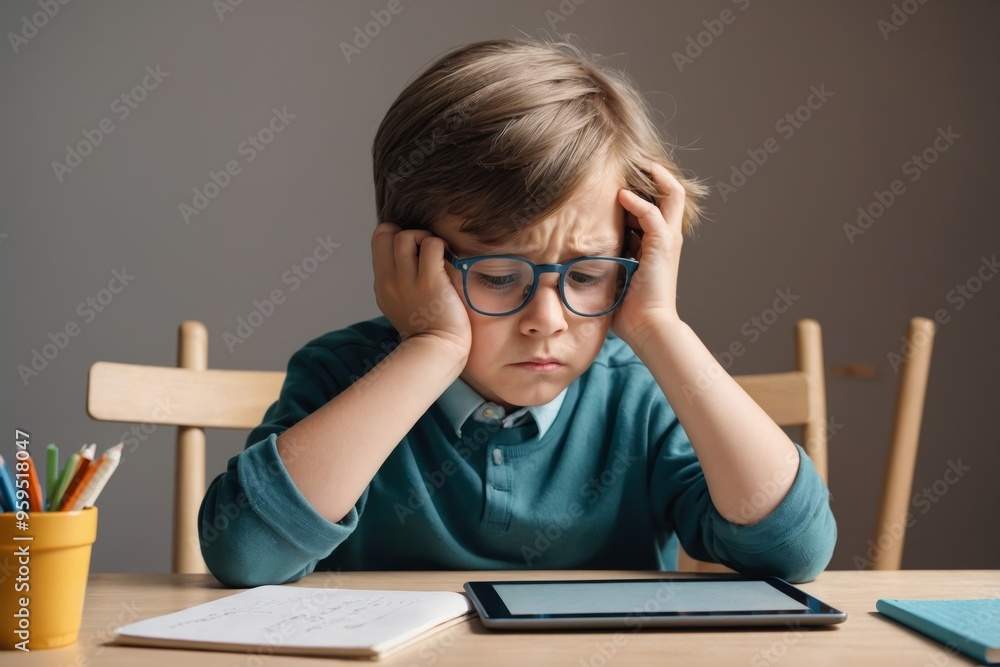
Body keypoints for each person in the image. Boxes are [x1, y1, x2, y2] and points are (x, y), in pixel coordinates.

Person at [198, 38, 836, 588]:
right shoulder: (341, 375)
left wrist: (658, 326)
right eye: (500, 276)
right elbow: (247, 553)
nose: (547, 319)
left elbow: (791, 550)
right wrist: (432, 346)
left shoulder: (641, 398)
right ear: (408, 259)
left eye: (587, 275)